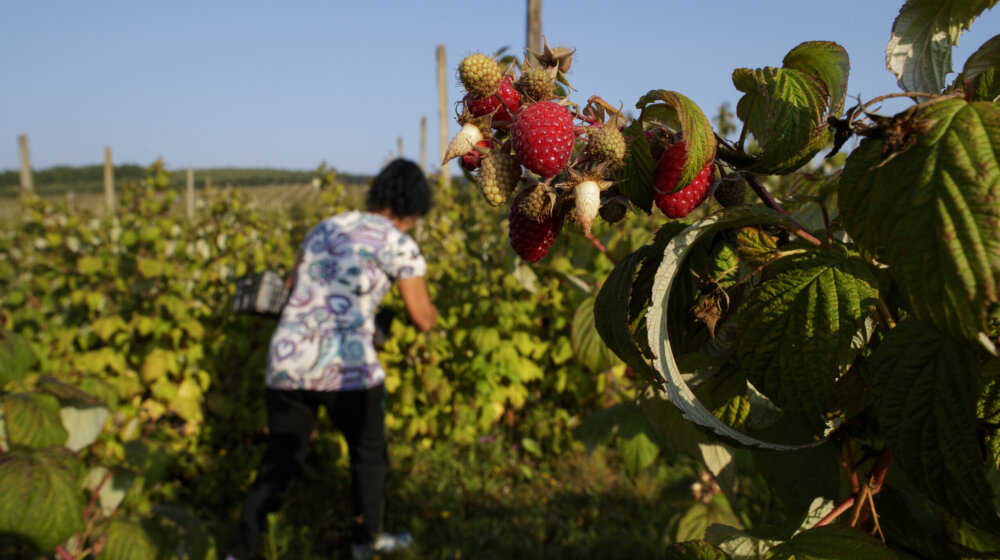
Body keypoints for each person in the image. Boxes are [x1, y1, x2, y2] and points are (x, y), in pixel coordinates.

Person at [226, 159, 438, 560]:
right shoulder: (399, 243)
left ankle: (242, 550)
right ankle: (366, 541)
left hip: (288, 360)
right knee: (369, 456)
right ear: (414, 208)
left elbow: (291, 288)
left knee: (280, 459)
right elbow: (422, 317)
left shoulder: (327, 227)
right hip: (348, 370)